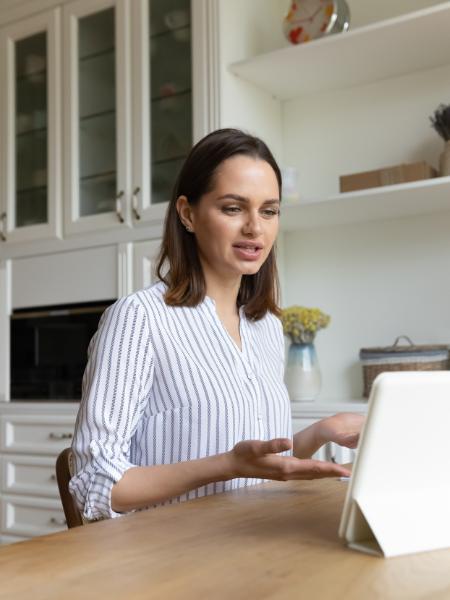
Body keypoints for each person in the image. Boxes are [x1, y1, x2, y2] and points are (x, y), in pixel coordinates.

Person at [69, 128, 364, 520]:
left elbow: (254, 464)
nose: (255, 228)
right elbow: (93, 485)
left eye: (269, 211)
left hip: (253, 541)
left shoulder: (266, 328)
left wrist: (319, 433)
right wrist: (226, 464)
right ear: (188, 214)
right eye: (232, 208)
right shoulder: (140, 319)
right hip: (168, 559)